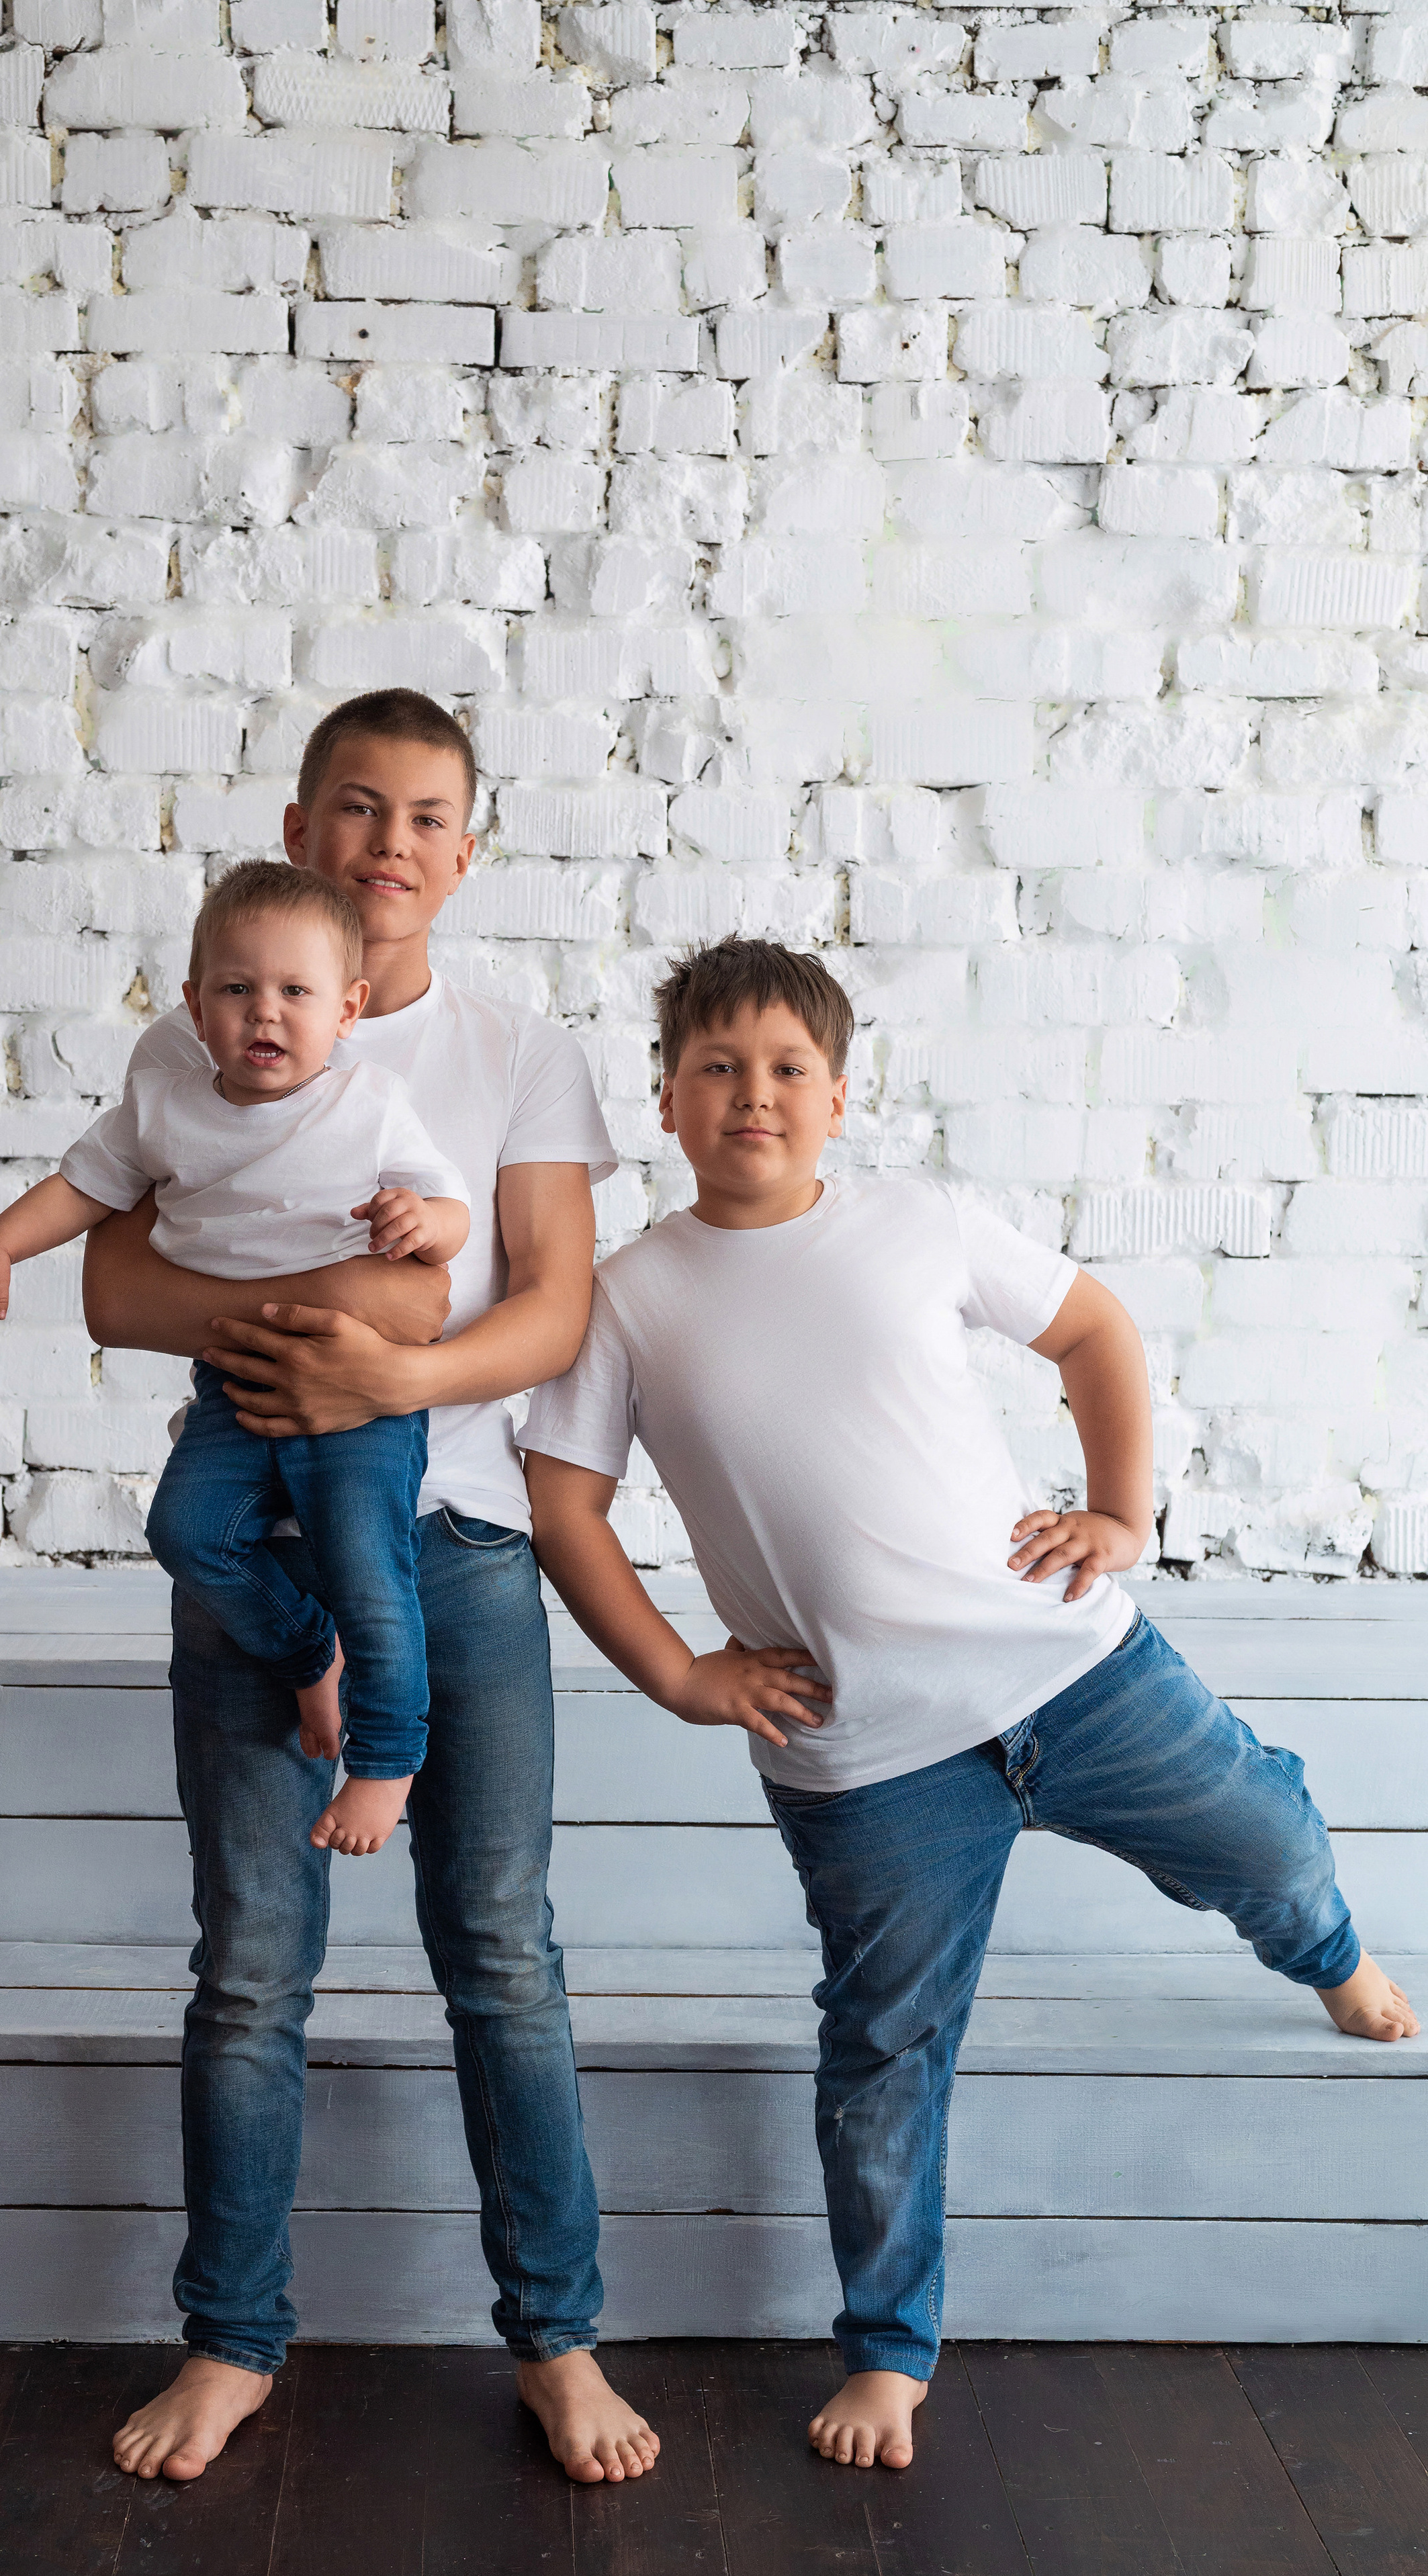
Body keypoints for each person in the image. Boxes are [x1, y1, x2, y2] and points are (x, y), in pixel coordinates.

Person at [521, 934, 1419, 2478]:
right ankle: (887, 2347)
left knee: (1262, 1837)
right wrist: (679, 1671)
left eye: (787, 1068)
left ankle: (1327, 1955)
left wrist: (1116, 1511)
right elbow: (563, 1502)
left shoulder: (913, 1223)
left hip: (1064, 1664)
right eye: (717, 1067)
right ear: (664, 1098)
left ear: (839, 1094)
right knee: (883, 2044)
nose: (753, 1094)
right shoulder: (630, 1296)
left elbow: (1092, 1333)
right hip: (862, 1755)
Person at [80, 689, 662, 2487]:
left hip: (464, 1539)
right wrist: (329, 1340)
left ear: (465, 853)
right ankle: (231, 2336)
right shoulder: (208, 1042)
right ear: (301, 826)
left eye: (425, 817)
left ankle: (558, 2339)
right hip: (256, 1539)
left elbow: (555, 1305)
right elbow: (116, 1290)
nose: (387, 843)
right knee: (252, 1964)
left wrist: (392, 1377)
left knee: (502, 1954)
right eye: (356, 807)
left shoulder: (514, 1047)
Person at [0, 862, 471, 1857]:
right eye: (237, 990)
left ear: (347, 1008)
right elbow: (79, 1189)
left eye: (296, 994)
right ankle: (309, 1654)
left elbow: (450, 1221)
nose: (264, 1014)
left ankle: (388, 1761)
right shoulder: (164, 1107)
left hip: (357, 1395)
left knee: (370, 1573)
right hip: (234, 1385)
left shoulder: (371, 1102)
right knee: (186, 1530)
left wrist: (421, 1218)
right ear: (194, 1005)